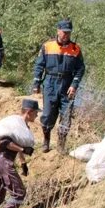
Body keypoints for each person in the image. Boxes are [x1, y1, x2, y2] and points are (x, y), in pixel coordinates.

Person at [32, 19, 86, 154]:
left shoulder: (75, 49)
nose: (66, 35)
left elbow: (80, 69)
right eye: (64, 32)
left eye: (68, 33)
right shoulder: (47, 46)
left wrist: (74, 85)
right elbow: (39, 65)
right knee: (48, 114)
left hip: (67, 85)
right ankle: (46, 141)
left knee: (66, 115)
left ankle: (61, 145)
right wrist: (36, 83)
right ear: (58, 31)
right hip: (50, 82)